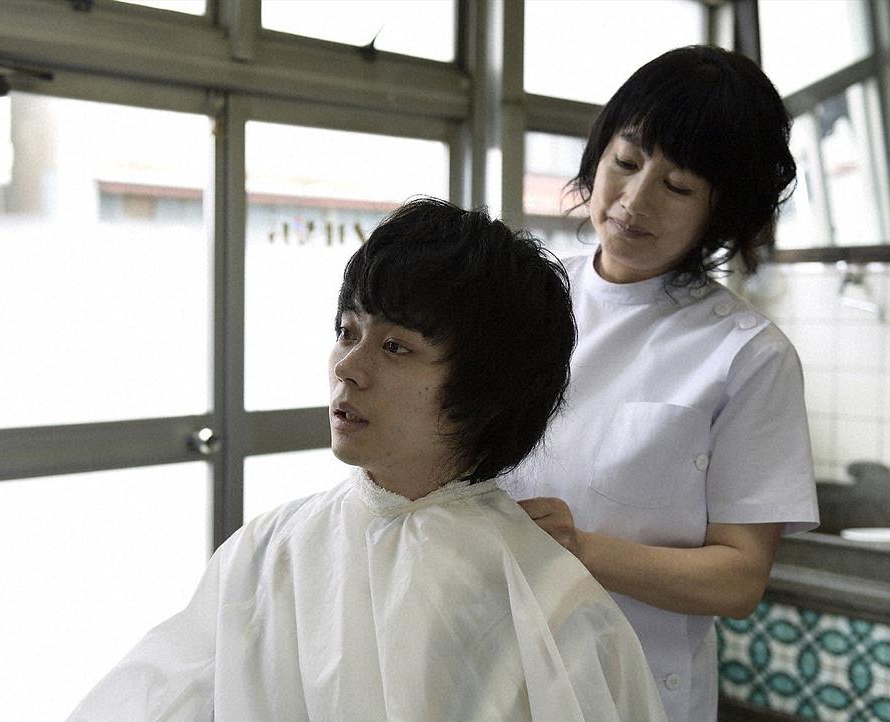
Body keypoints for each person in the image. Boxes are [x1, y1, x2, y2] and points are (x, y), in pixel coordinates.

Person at [67, 198, 668, 721]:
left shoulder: (543, 594)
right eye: (347, 331)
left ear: (485, 391)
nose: (349, 368)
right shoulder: (269, 551)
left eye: (395, 346)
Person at [505, 46, 820, 722]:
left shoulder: (747, 355)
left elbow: (738, 578)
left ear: (720, 212)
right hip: (493, 668)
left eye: (677, 187)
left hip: (636, 689)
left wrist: (579, 549)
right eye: (626, 161)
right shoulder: (517, 300)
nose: (634, 200)